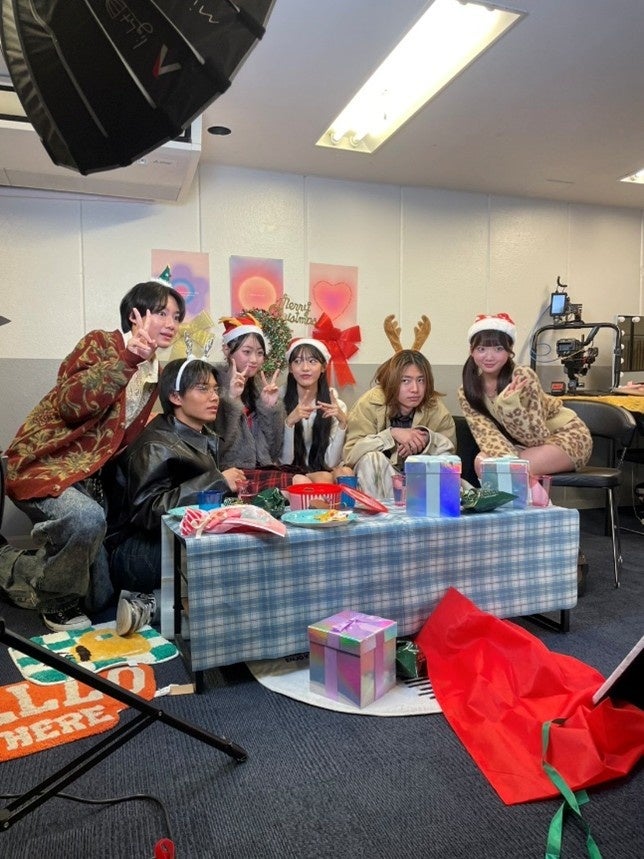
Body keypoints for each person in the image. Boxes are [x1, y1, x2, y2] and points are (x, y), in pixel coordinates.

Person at [3, 279, 186, 632]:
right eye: (162, 313)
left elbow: (117, 438)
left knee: (99, 595)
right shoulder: (101, 343)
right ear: (135, 315)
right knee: (85, 519)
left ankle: (9, 562)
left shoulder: (155, 373)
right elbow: (71, 405)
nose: (171, 323)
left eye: (177, 317)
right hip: (44, 465)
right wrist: (128, 358)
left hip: (87, 481)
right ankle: (56, 602)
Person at [107, 358, 246, 635]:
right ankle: (162, 606)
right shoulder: (156, 444)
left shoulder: (200, 434)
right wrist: (218, 481)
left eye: (215, 389)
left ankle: (151, 607)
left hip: (169, 542)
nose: (214, 397)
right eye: (202, 389)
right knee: (223, 554)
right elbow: (148, 511)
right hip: (135, 551)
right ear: (175, 397)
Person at [458, 312, 593, 476]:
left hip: (564, 436)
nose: (489, 356)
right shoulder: (467, 390)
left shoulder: (522, 376)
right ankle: (510, 492)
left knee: (507, 469)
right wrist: (503, 459)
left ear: (509, 351)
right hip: (521, 445)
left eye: (499, 348)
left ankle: (519, 491)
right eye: (481, 349)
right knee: (483, 462)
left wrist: (510, 406)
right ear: (471, 351)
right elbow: (487, 436)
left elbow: (536, 438)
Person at [343, 349, 456, 499]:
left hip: (418, 484)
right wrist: (391, 434)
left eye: (421, 380)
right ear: (392, 382)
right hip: (381, 485)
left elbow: (451, 457)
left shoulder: (435, 408)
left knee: (445, 460)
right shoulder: (369, 403)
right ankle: (384, 514)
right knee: (372, 458)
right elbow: (350, 456)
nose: (415, 389)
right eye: (405, 381)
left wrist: (426, 440)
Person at [213, 314, 287, 491]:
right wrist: (231, 400)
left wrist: (270, 409)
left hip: (262, 467)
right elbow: (216, 447)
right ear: (226, 350)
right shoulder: (213, 386)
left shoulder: (260, 390)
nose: (254, 360)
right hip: (231, 472)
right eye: (246, 352)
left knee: (312, 482)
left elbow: (274, 449)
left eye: (260, 353)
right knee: (299, 483)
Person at [279, 338, 353, 483]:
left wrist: (342, 423)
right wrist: (289, 423)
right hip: (291, 472)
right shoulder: (279, 403)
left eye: (312, 361)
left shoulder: (336, 406)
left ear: (323, 367)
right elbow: (285, 462)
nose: (305, 368)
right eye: (297, 361)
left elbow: (331, 463)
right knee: (324, 478)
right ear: (291, 368)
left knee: (346, 473)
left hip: (322, 469)